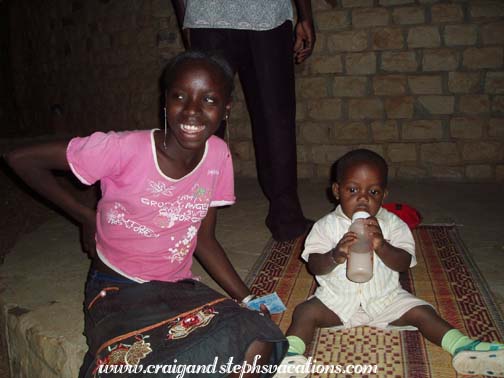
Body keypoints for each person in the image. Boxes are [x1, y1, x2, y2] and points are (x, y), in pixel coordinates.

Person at [5, 50, 287, 377]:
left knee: (260, 337)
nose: (193, 111)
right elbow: (21, 158)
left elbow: (205, 240)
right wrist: (84, 215)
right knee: (158, 366)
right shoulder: (123, 149)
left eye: (208, 100)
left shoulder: (218, 156)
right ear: (165, 102)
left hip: (178, 289)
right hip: (118, 290)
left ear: (226, 110)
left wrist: (249, 297)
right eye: (180, 96)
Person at [275, 149, 504, 378]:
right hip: (335, 300)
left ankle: (463, 347)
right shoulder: (326, 226)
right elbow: (314, 265)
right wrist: (335, 255)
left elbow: (403, 262)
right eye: (353, 190)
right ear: (336, 191)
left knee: (422, 312)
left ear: (384, 195)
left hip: (386, 298)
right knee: (305, 311)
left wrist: (382, 245)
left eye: (373, 192)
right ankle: (290, 355)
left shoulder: (392, 224)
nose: (363, 198)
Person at [171, 0, 316, 242]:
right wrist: (305, 16)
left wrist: (186, 20)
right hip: (263, 15)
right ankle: (286, 220)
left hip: (209, 16)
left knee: (201, 117)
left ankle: (188, 217)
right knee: (275, 117)